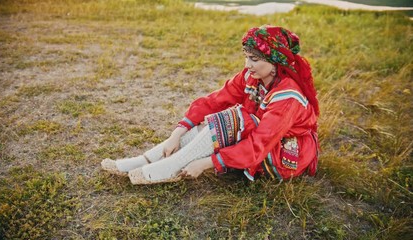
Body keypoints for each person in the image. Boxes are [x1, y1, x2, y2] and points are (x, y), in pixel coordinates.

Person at [101, 25, 320, 185]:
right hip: (258, 138)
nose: (247, 64)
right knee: (222, 118)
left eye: (254, 59)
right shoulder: (250, 77)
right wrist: (176, 134)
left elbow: (259, 144)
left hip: (282, 152)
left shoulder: (288, 97)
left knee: (236, 118)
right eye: (246, 57)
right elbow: (213, 101)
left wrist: (207, 163)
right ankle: (145, 160)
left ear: (274, 62)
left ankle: (168, 167)